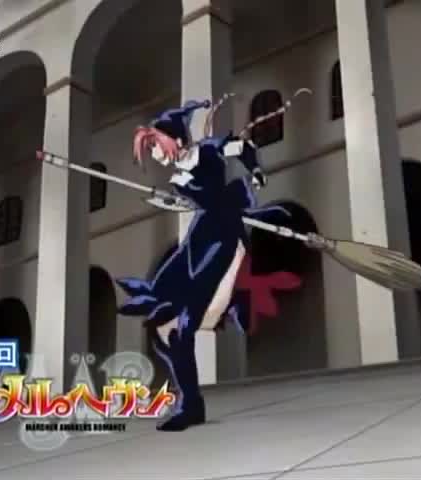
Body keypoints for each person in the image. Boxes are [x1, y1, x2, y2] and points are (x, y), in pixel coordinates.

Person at [116, 90, 309, 431]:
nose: (155, 154)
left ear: (175, 140)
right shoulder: (177, 175)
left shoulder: (208, 150)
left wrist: (255, 172)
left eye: (155, 146)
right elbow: (197, 201)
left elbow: (242, 147)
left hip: (222, 236)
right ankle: (189, 392)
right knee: (161, 319)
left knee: (184, 325)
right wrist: (175, 199)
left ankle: (191, 405)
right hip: (200, 236)